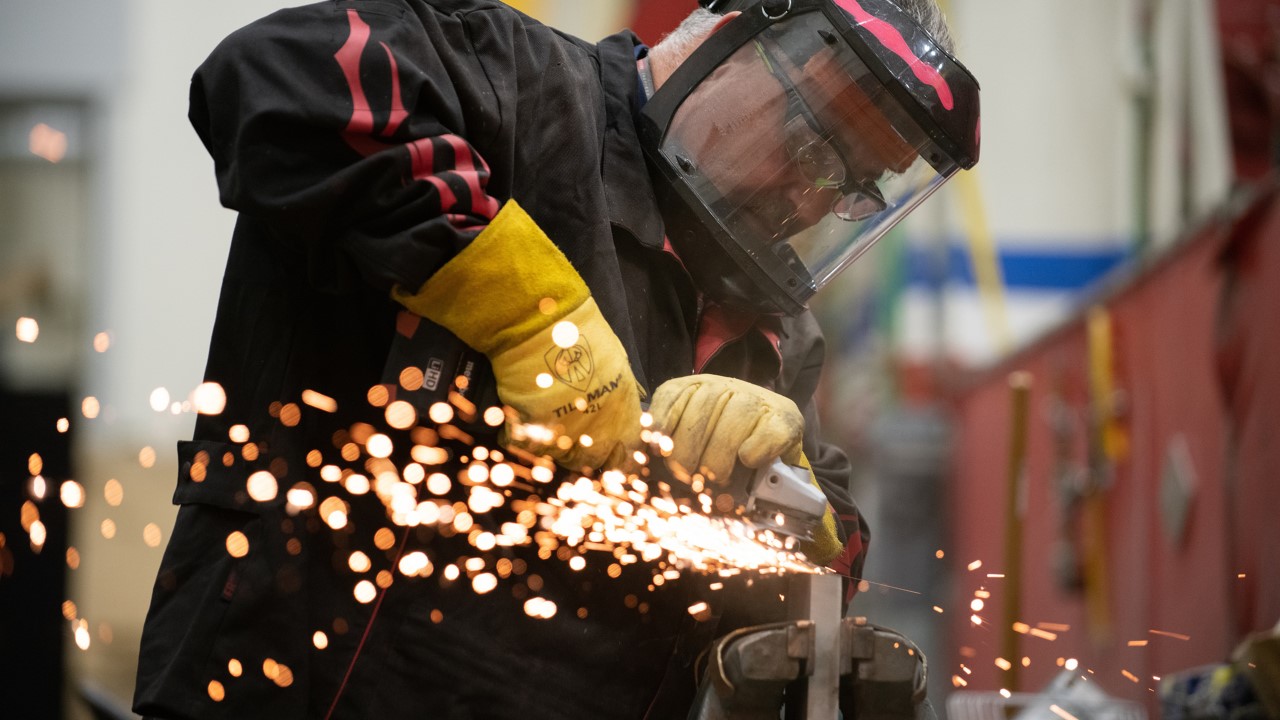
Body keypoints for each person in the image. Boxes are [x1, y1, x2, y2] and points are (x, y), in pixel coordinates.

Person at [134, 0, 979, 718]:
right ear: (726, 37)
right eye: (811, 147)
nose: (807, 196)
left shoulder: (771, 330)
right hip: (295, 686)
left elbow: (829, 561)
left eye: (849, 188)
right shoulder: (510, 82)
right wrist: (532, 316)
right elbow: (277, 77)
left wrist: (786, 495)